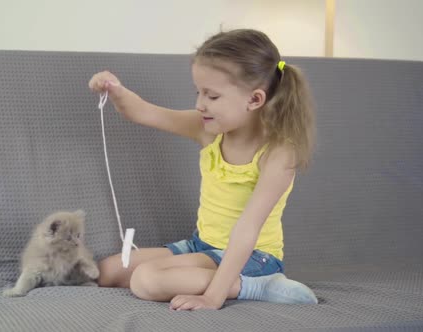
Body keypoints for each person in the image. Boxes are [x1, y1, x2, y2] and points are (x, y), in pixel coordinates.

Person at [88, 29, 318, 311]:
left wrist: (213, 296)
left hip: (253, 257)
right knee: (108, 271)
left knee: (146, 280)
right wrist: (116, 90)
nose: (200, 104)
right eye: (198, 92)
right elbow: (145, 112)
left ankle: (257, 286)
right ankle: (213, 279)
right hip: (203, 246)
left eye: (212, 96)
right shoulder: (208, 129)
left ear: (255, 100)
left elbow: (247, 229)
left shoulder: (278, 153)